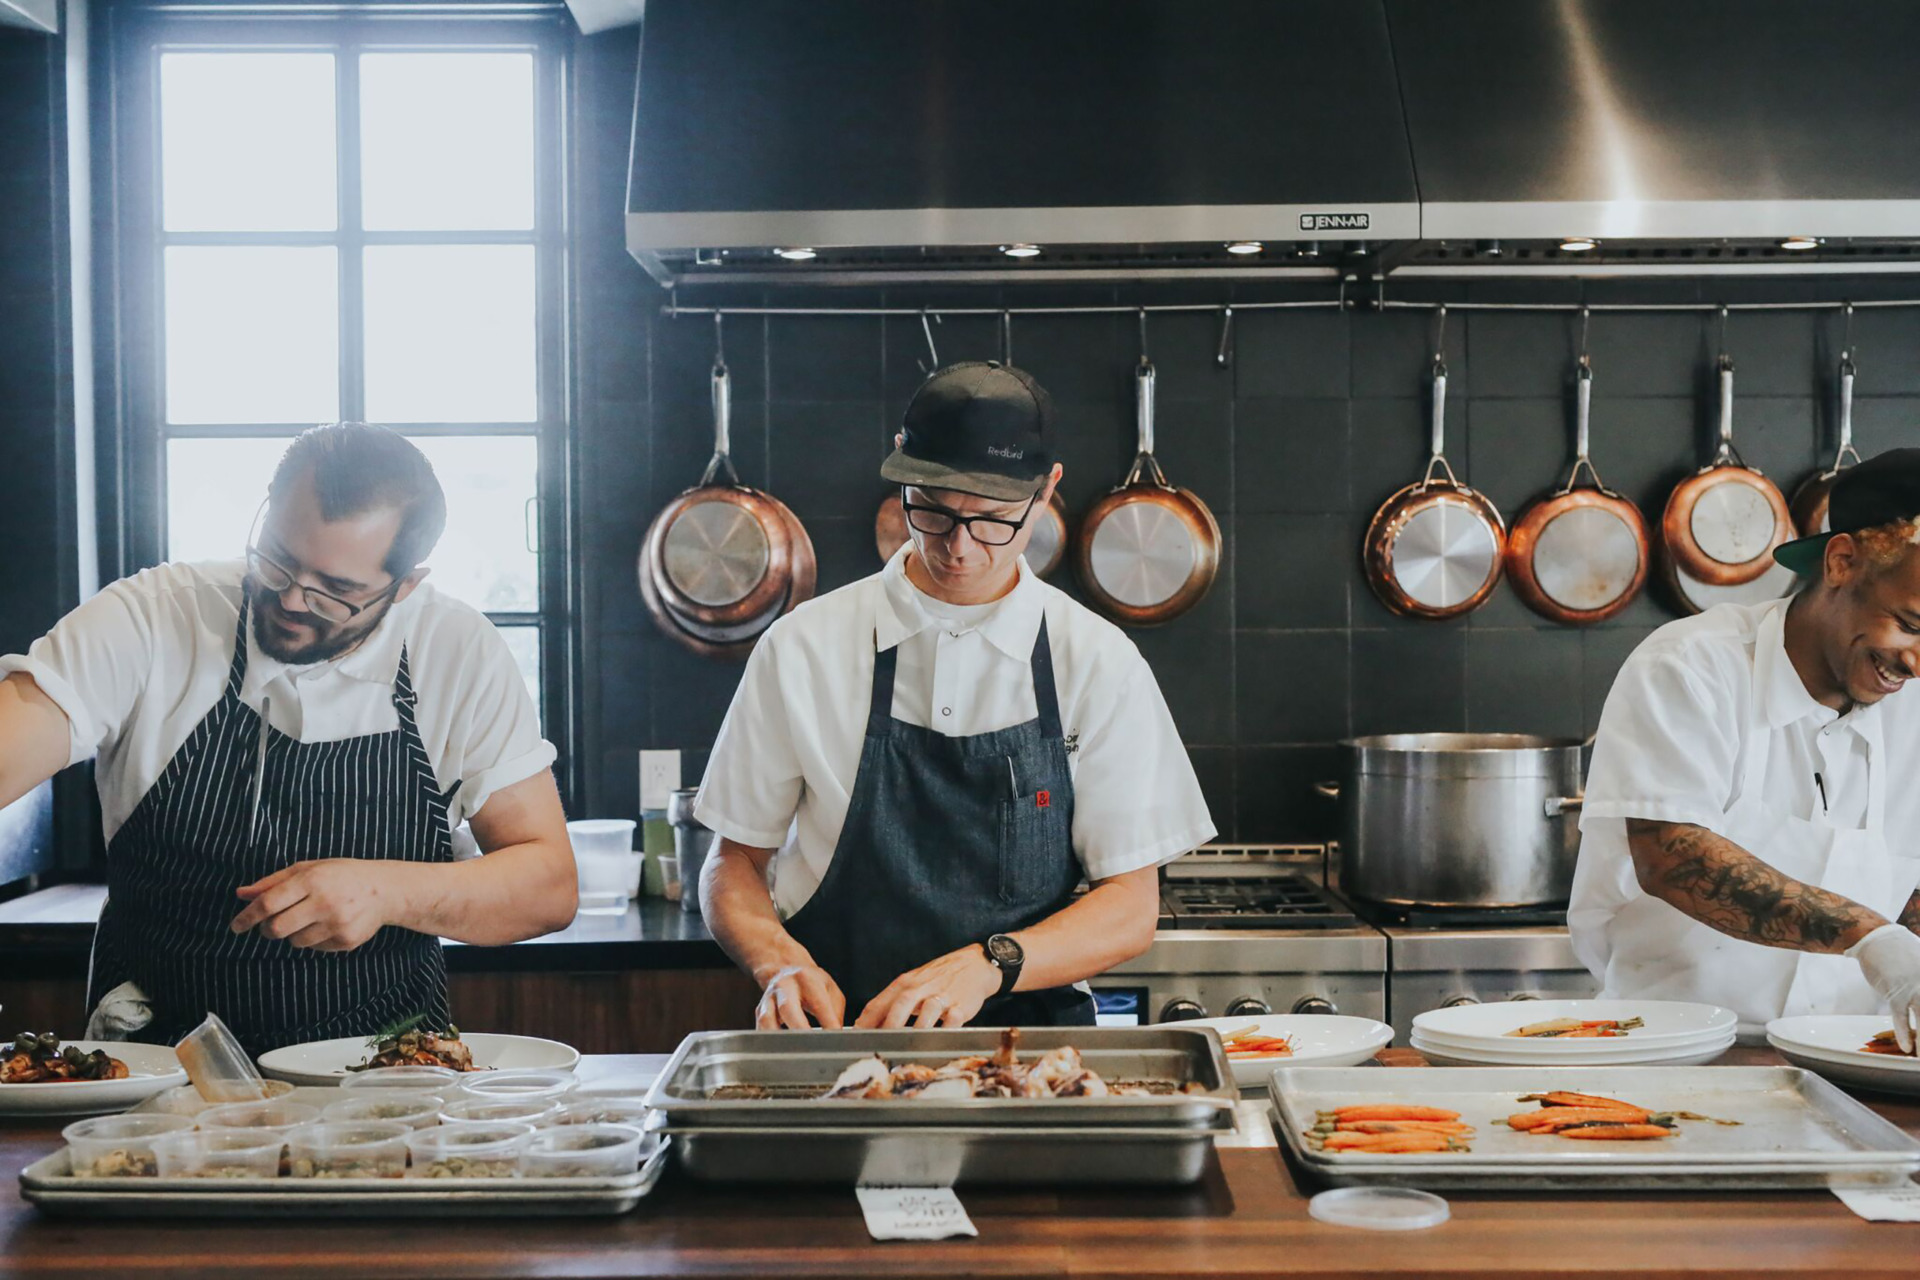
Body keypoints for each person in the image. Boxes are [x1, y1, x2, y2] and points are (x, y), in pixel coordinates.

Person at [0, 423, 576, 1052]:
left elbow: (547, 885)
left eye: (337, 591)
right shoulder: (157, 617)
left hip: (388, 1071)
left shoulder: (456, 652)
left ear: (405, 585)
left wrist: (387, 891)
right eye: (276, 558)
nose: (292, 599)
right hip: (164, 1070)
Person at [696, 362, 1214, 1030]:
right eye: (933, 513)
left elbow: (1131, 905)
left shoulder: (1096, 660)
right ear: (903, 472)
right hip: (837, 1037)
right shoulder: (802, 648)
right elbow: (733, 862)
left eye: (994, 518)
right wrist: (778, 964)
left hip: (1032, 1051)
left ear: (1047, 488)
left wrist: (989, 962)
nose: (960, 549)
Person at [1571, 447, 1920, 1047]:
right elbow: (1673, 856)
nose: (1915, 664)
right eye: (1910, 625)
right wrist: (1872, 936)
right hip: (1677, 1052)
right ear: (1841, 561)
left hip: (1859, 1059)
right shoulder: (1690, 667)